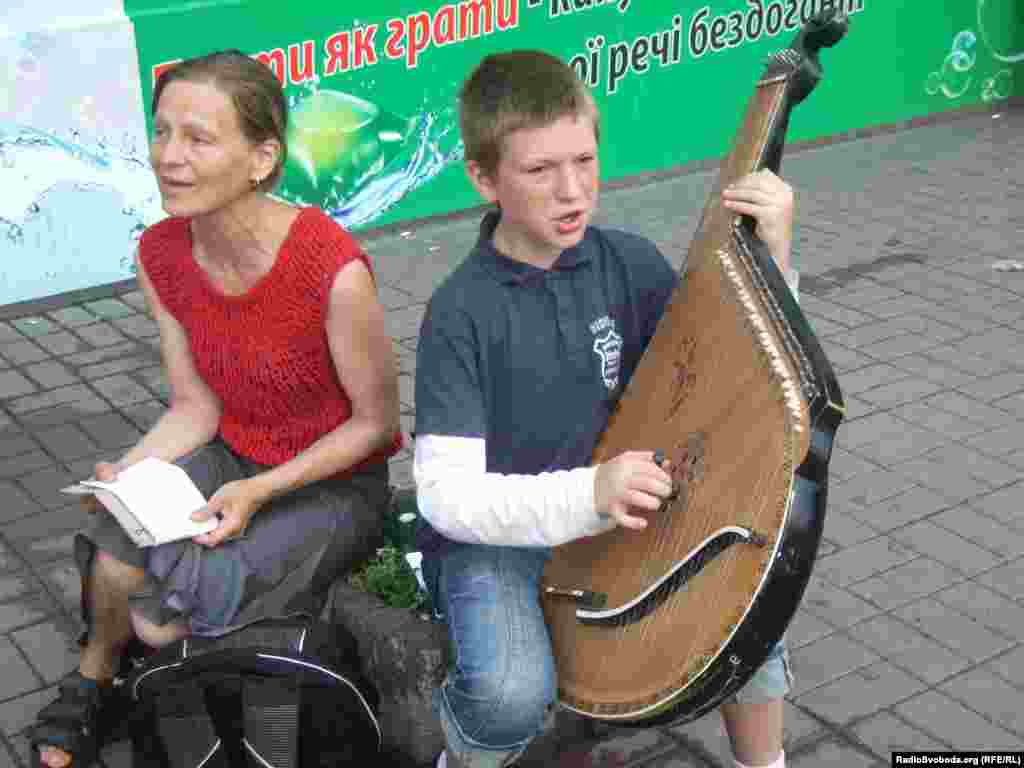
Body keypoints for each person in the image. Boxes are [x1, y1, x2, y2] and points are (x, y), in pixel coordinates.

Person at [414, 51, 799, 768]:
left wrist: (773, 259)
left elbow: (734, 380)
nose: (572, 191)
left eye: (585, 160)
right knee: (507, 694)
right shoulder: (459, 312)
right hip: (502, 541)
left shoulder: (631, 263)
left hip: (623, 515)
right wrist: (590, 492)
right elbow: (444, 498)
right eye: (539, 171)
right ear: (483, 177)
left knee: (751, 602)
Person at [30, 50, 402, 768]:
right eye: (162, 132)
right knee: (115, 539)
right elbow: (195, 404)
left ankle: (155, 664)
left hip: (332, 479)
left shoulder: (331, 268)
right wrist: (128, 472)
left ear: (262, 158)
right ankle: (95, 677)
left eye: (199, 138)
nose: (169, 156)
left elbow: (376, 426)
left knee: (165, 613)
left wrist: (260, 490)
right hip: (231, 450)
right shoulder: (162, 253)